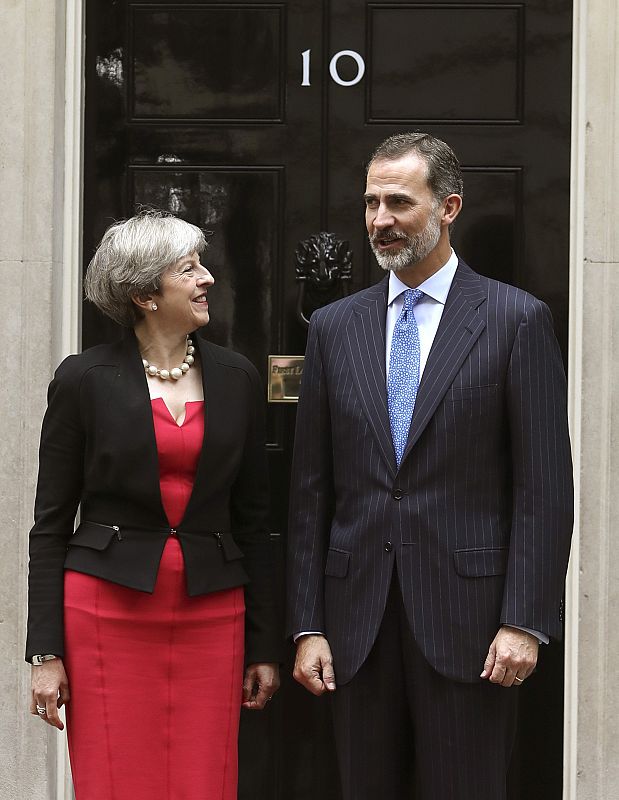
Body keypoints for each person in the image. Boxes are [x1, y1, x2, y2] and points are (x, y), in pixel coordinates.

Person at [287, 133, 573, 799]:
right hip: (354, 625)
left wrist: (523, 620)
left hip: (472, 626)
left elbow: (543, 487)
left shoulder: (515, 320)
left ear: (447, 207)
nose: (379, 220)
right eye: (369, 203)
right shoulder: (333, 327)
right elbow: (309, 490)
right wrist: (307, 624)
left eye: (397, 202)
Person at [26, 211, 280, 799]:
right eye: (188, 270)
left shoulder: (236, 376)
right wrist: (45, 652)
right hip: (105, 614)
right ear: (143, 294)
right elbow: (50, 526)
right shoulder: (83, 379)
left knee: (205, 776)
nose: (207, 279)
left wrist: (266, 643)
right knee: (115, 776)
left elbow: (257, 524)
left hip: (213, 612)